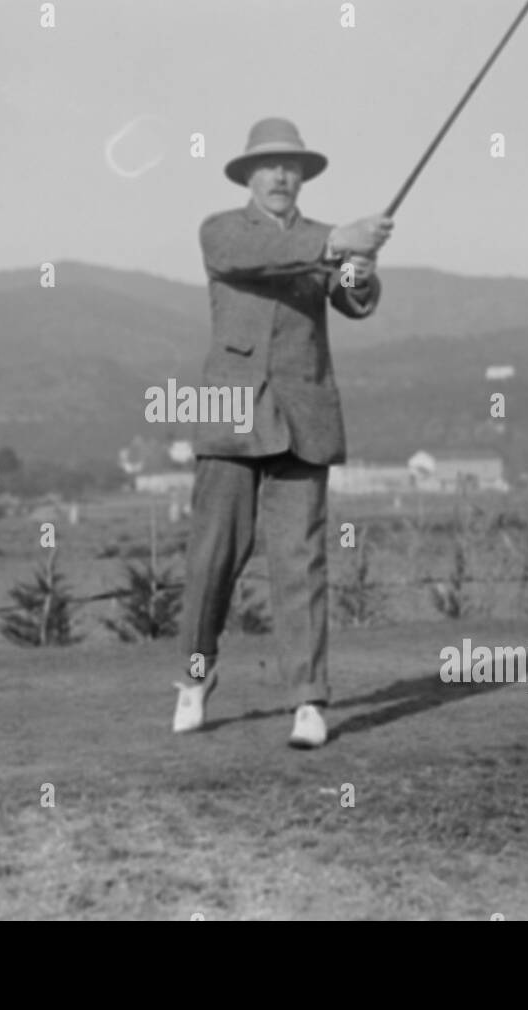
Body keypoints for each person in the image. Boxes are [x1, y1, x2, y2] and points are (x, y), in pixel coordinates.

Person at [172, 116, 393, 748]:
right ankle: (194, 679)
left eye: (291, 167)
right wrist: (337, 243)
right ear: (247, 176)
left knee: (301, 562)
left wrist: (359, 263)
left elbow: (354, 301)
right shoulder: (221, 232)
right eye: (268, 166)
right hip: (229, 415)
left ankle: (308, 701)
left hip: (304, 415)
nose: (280, 175)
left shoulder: (327, 241)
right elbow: (245, 257)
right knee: (213, 558)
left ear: (301, 178)